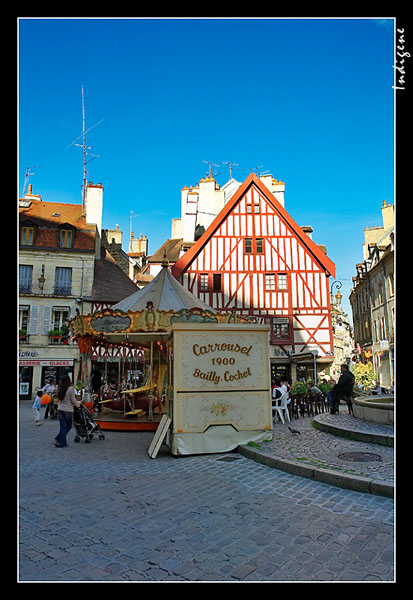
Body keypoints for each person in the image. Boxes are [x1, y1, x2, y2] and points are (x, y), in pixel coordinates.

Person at [54, 375, 82, 448]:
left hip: (60, 409)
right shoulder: (70, 389)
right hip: (68, 410)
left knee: (63, 426)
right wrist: (78, 403)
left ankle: (59, 439)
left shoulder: (60, 388)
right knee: (68, 426)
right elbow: (73, 400)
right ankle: (62, 442)